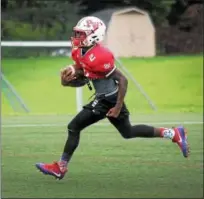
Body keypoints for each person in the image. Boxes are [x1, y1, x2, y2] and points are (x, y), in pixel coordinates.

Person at [35, 16, 189, 180]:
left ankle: (61, 167)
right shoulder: (79, 51)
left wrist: (117, 106)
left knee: (74, 127)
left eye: (82, 34)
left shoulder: (101, 56)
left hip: (109, 99)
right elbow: (86, 75)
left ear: (94, 35)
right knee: (127, 132)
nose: (77, 37)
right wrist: (69, 77)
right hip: (103, 98)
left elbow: (122, 80)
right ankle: (173, 133)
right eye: (78, 33)